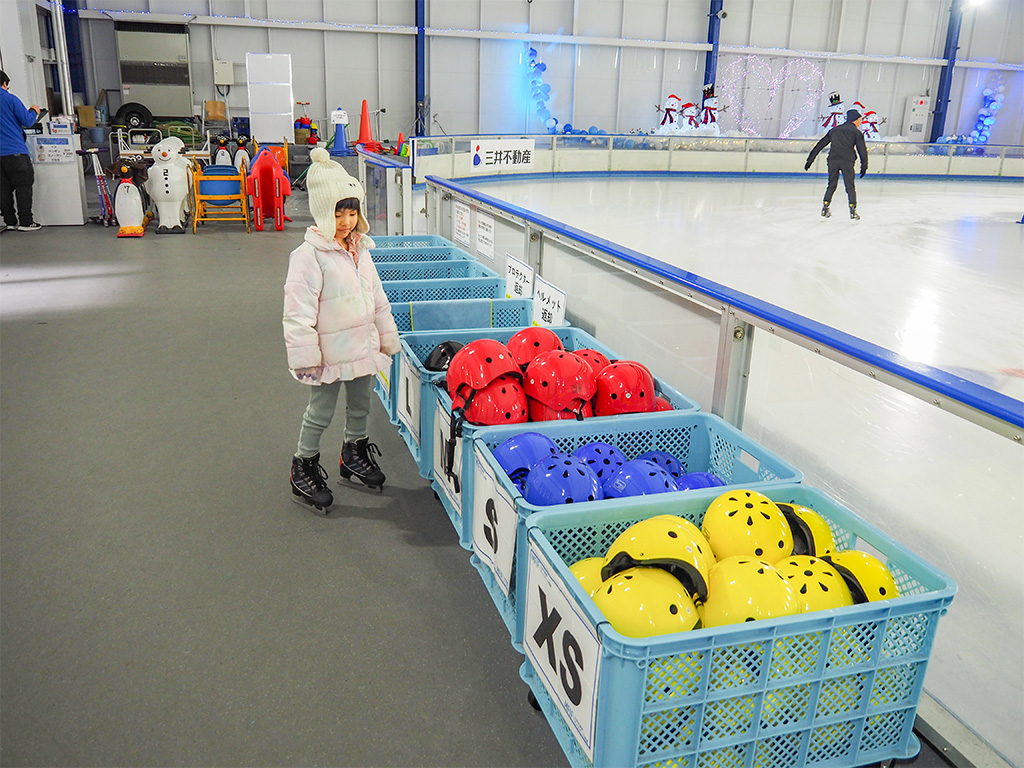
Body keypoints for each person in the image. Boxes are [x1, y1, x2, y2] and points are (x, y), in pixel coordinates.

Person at [283, 147, 400, 512]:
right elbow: (297, 313)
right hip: (328, 354)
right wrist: (306, 358)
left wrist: (386, 337)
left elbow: (376, 297)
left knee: (361, 405)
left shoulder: (360, 249)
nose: (347, 220)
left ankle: (354, 450)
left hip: (361, 346)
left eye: (352, 211)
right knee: (320, 412)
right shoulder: (308, 256)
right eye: (338, 212)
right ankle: (302, 465)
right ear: (321, 211)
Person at [804, 108, 869, 220]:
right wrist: (864, 165)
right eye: (860, 120)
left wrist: (810, 160)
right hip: (847, 161)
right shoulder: (856, 133)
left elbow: (820, 145)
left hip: (833, 160)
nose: (861, 122)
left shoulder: (835, 130)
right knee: (850, 186)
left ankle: (825, 206)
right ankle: (853, 210)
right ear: (854, 119)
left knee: (831, 185)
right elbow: (862, 150)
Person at [0, 70, 44, 232]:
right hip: (15, 152)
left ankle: (10, 221)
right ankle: (26, 221)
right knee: (23, 185)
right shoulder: (9, 99)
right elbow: (27, 121)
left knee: (3, 188)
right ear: (4, 84)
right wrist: (34, 111)